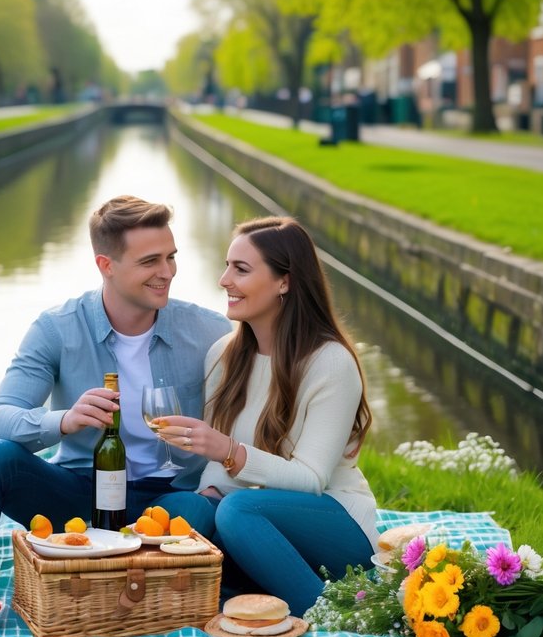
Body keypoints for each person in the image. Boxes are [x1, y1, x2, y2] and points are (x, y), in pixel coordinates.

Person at [0, 196, 232, 574]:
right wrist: (65, 420)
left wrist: (216, 482)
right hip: (79, 490)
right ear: (106, 266)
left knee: (199, 510)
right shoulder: (57, 328)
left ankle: (125, 594)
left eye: (171, 256)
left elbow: (252, 412)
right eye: (150, 261)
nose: (167, 272)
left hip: (170, 496)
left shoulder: (209, 331)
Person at [155, 216, 379, 614]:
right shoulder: (222, 356)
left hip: (334, 521)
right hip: (256, 518)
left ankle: (324, 615)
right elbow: (216, 470)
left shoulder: (330, 362)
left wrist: (230, 452)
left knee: (238, 510)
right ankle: (228, 601)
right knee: (185, 509)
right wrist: (205, 498)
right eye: (226, 266)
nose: (224, 279)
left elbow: (311, 480)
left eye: (240, 269)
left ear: (284, 281)